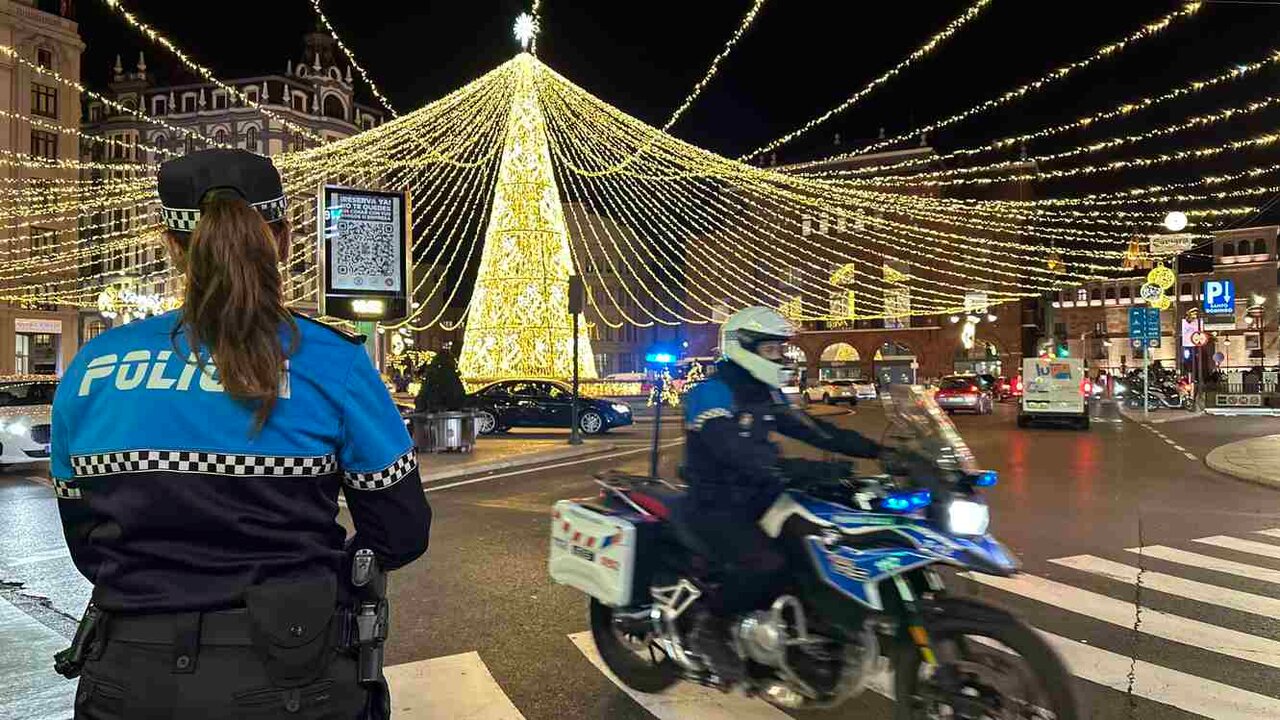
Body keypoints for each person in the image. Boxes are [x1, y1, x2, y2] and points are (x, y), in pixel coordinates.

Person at [51, 149, 431, 719]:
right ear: (280, 238)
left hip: (127, 674)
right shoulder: (332, 362)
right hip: (290, 676)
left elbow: (85, 539)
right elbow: (401, 532)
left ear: (171, 244)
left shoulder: (94, 365)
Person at [680, 306, 881, 684]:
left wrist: (879, 451)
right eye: (772, 350)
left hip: (762, 495)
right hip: (717, 502)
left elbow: (813, 429)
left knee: (816, 546)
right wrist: (795, 469)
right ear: (744, 347)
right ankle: (711, 627)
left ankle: (805, 635)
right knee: (765, 564)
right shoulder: (711, 392)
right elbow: (731, 449)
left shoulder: (765, 393)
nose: (781, 358)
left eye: (781, 350)